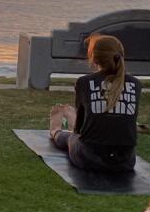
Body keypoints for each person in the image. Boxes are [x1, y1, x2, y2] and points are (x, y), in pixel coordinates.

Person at [49, 34, 140, 173]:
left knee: (70, 137)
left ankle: (55, 129)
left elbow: (78, 130)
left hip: (89, 159)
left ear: (94, 59)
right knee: (87, 131)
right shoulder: (136, 84)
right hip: (125, 162)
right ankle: (73, 115)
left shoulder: (84, 82)